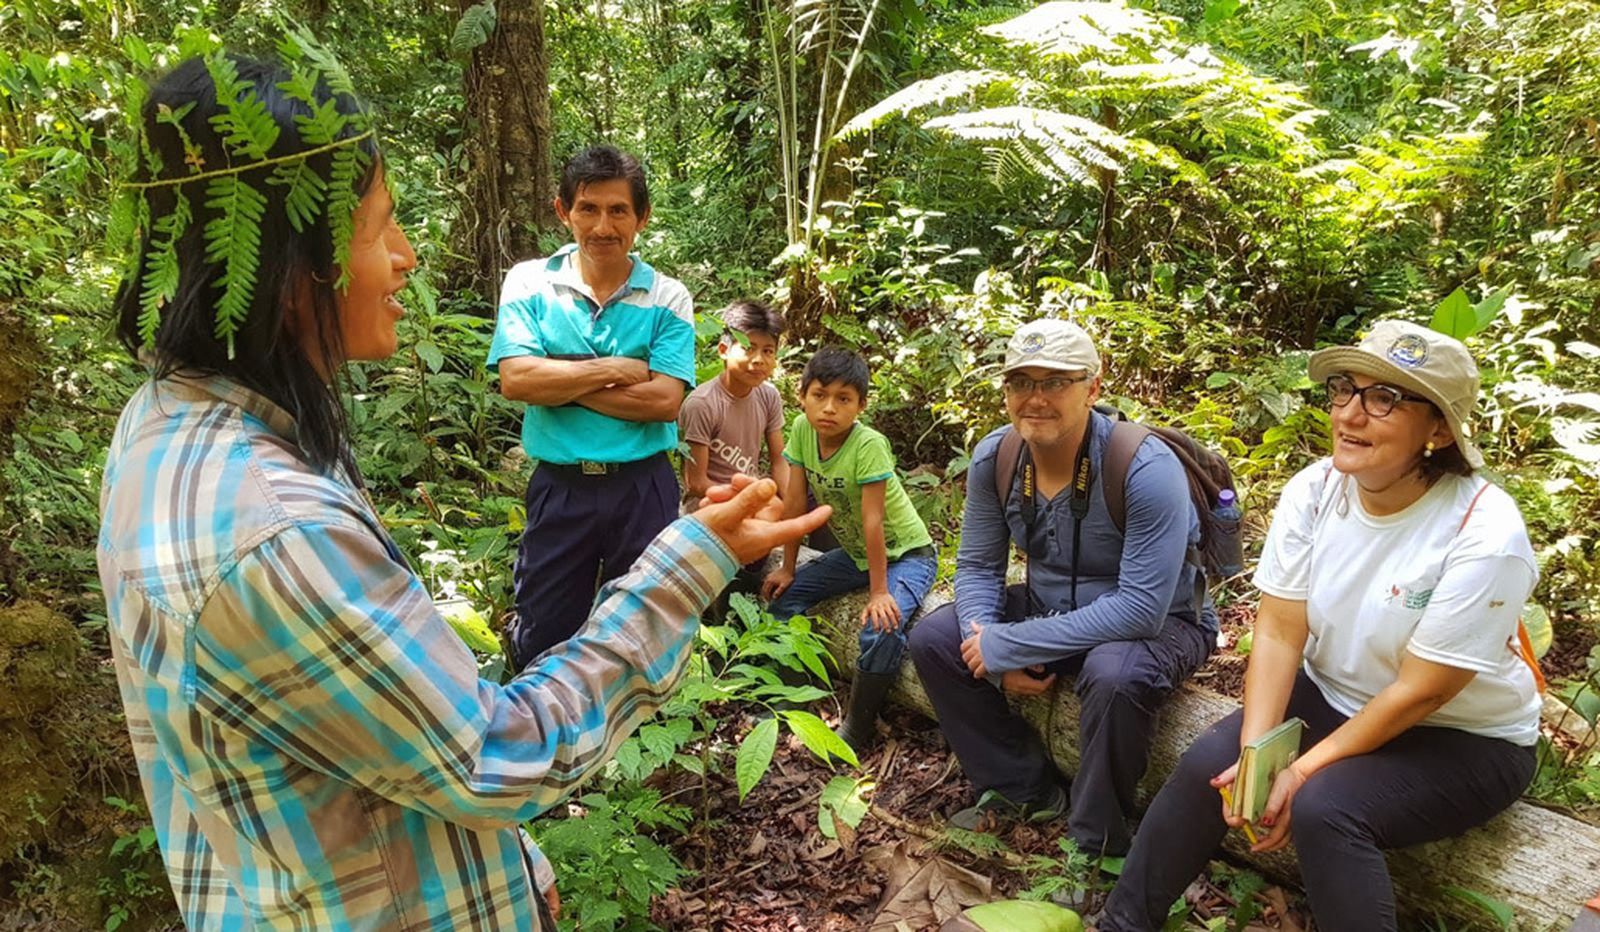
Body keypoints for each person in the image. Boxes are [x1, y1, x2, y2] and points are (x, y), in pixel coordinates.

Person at [97, 50, 829, 931]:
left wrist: (510, 857)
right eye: (382, 226)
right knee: (543, 631)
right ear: (293, 260)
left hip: (359, 878)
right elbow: (493, 751)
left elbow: (386, 736)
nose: (405, 257)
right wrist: (696, 558)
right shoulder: (274, 527)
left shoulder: (174, 425)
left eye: (619, 211)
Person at [1099, 320, 1541, 932]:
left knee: (1326, 808)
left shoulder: (1484, 534)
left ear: (1438, 429)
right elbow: (1280, 630)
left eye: (1384, 398)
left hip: (1461, 736)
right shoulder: (1316, 490)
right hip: (1336, 692)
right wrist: (1258, 755)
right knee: (1212, 764)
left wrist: (1303, 770)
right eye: (1345, 390)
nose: (1350, 415)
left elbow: (1425, 689)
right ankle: (1123, 923)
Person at [908, 318, 1215, 858]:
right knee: (935, 636)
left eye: (1055, 382)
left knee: (1116, 674)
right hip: (1056, 606)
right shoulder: (997, 457)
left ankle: (1097, 842)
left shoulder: (1142, 467)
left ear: (1092, 388)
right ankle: (1020, 789)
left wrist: (1012, 645)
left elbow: (1142, 609)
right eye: (1021, 382)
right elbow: (978, 566)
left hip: (1164, 621)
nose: (1036, 398)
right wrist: (989, 642)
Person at [488, 145, 696, 669]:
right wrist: (613, 369)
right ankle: (544, 741)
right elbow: (516, 380)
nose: (602, 226)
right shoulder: (529, 282)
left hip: (642, 486)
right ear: (564, 211)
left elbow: (665, 400)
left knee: (641, 633)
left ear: (641, 217)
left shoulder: (669, 297)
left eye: (618, 210)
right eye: (588, 208)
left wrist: (558, 376)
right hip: (561, 486)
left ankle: (629, 745)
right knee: (543, 631)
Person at [761, 346, 937, 751]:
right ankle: (792, 691)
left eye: (844, 399)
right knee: (787, 598)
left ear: (861, 405)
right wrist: (788, 567)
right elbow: (794, 503)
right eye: (819, 395)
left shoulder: (868, 444)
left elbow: (873, 521)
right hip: (859, 554)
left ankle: (858, 727)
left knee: (882, 625)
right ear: (801, 395)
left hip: (908, 555)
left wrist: (879, 592)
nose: (829, 408)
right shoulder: (803, 431)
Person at [678, 299, 790, 503]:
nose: (759, 360)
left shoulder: (768, 396)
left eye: (768, 351)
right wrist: (750, 499)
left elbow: (779, 461)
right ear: (723, 350)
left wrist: (790, 504)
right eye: (748, 347)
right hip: (708, 502)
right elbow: (695, 482)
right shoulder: (702, 403)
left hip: (751, 496)